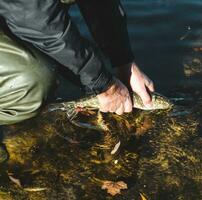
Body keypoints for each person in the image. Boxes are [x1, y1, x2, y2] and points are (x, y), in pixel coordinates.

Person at [0, 0, 155, 163]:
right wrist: (105, 85)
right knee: (33, 82)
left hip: (22, 10)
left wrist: (123, 61)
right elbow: (36, 18)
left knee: (90, 65)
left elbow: (101, 5)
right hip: (26, 10)